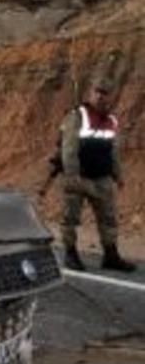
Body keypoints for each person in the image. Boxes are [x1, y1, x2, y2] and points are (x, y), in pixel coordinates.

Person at [60, 80, 136, 272]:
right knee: (70, 217)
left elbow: (112, 151)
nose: (100, 96)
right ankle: (70, 254)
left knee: (108, 218)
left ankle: (111, 255)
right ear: (90, 94)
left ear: (110, 96)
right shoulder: (77, 116)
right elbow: (69, 149)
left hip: (101, 178)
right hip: (79, 177)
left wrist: (118, 175)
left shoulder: (111, 120)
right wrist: (72, 175)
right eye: (97, 92)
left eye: (104, 93)